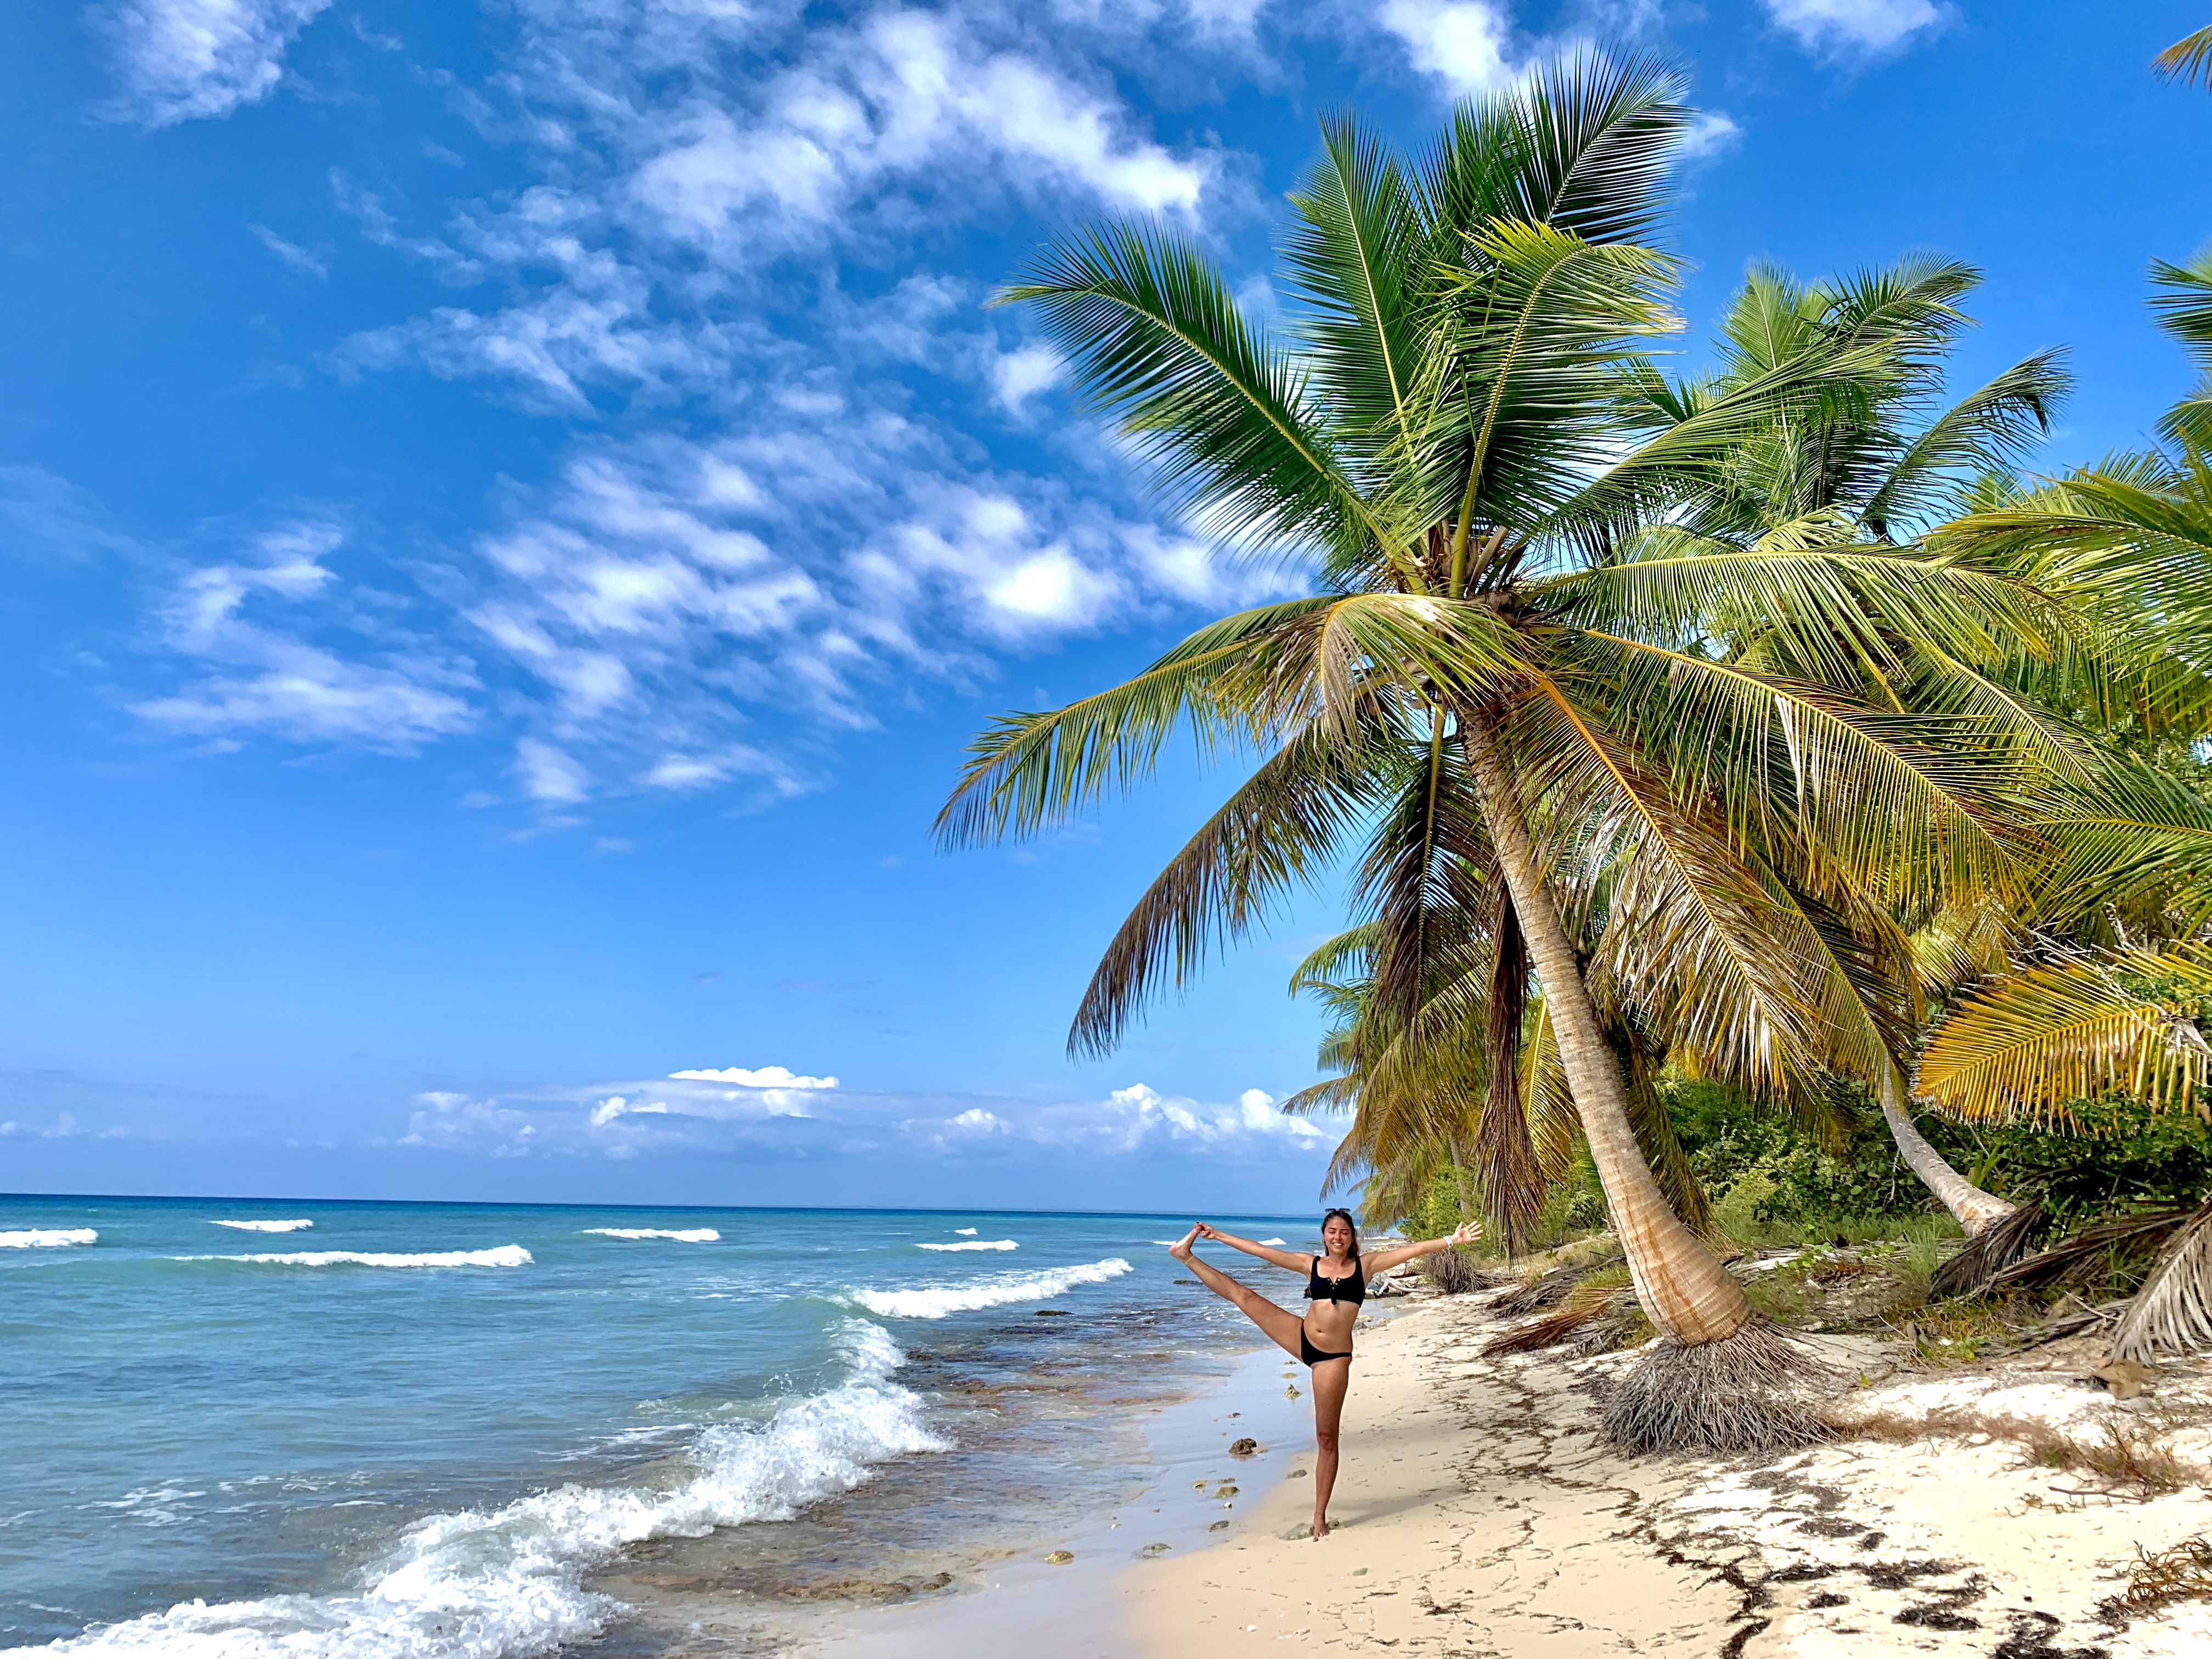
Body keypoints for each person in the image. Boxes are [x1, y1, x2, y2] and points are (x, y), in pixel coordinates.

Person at [1170, 1210, 1482, 1539]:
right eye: (1332, 1231)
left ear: (1351, 1237)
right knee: (1244, 1296)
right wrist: (1218, 1235)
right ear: (1324, 1235)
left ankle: (1319, 1516)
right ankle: (1185, 1256)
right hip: (1301, 1336)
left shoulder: (1366, 1266)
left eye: (1344, 1232)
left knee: (1326, 1439)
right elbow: (1261, 1250)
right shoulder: (1311, 1264)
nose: (1338, 1237)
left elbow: (1413, 1250)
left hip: (1332, 1360)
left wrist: (1451, 1240)